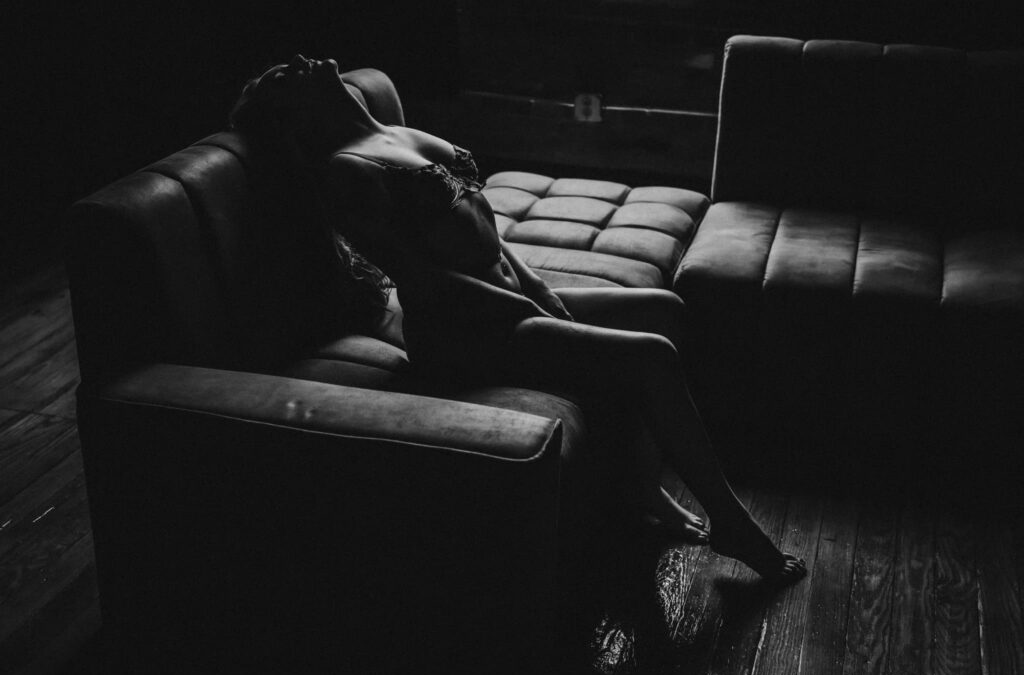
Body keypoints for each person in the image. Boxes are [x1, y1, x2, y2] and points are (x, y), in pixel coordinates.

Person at [229, 55, 806, 584]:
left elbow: (491, 237)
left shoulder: (391, 132)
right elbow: (423, 281)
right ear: (296, 112)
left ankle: (641, 486)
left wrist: (535, 288)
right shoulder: (345, 171)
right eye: (285, 75)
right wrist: (529, 309)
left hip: (506, 300)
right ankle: (729, 524)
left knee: (666, 310)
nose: (301, 62)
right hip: (459, 331)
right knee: (653, 355)